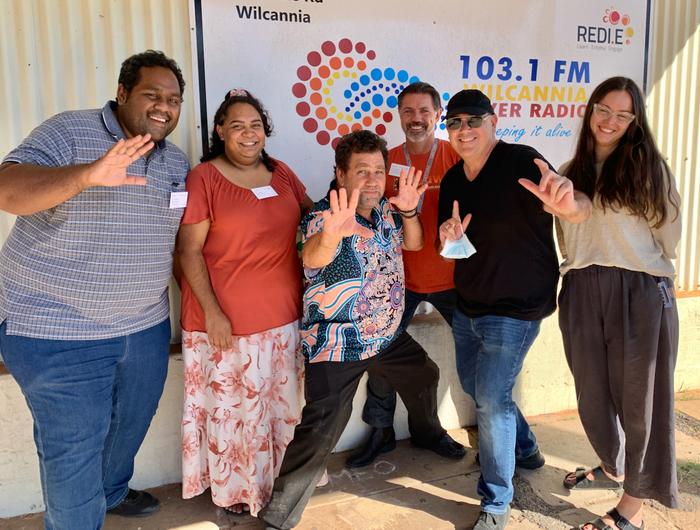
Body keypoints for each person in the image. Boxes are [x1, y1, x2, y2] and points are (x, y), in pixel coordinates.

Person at [0, 50, 188, 529]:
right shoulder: (69, 133)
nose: (164, 106)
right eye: (152, 94)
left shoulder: (174, 160)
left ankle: (109, 491)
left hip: (143, 327)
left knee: (127, 430)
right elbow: (7, 189)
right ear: (122, 93)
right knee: (74, 451)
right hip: (55, 329)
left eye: (173, 98)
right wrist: (86, 175)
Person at [259, 130, 464, 529]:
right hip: (338, 340)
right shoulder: (323, 216)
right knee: (322, 427)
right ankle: (278, 517)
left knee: (425, 374)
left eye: (378, 171)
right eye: (361, 171)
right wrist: (333, 234)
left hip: (385, 335)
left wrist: (408, 211)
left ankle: (426, 433)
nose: (372, 180)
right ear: (340, 174)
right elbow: (312, 257)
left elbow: (415, 245)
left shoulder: (387, 209)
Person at [521, 76, 681, 530]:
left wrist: (618, 245)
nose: (610, 121)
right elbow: (572, 221)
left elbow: (669, 238)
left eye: (622, 114)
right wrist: (571, 207)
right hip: (582, 289)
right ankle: (615, 465)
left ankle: (633, 503)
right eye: (603, 109)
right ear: (590, 110)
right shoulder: (569, 172)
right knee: (594, 394)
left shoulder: (648, 169)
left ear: (635, 122)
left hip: (640, 289)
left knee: (641, 402)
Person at [437, 89, 591, 529]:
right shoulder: (451, 181)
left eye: (473, 121)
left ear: (493, 121)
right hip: (468, 304)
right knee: (479, 387)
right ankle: (526, 448)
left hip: (518, 306)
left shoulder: (523, 161)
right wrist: (447, 237)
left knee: (490, 400)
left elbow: (572, 208)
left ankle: (496, 503)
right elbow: (447, 248)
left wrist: (568, 204)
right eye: (455, 123)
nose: (463, 131)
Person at [177, 89, 312, 516]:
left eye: (255, 125)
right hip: (225, 326)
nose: (248, 133)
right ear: (220, 130)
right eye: (237, 125)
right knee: (235, 416)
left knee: (279, 411)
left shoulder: (283, 173)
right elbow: (188, 251)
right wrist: (214, 313)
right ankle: (236, 493)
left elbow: (314, 219)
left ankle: (281, 485)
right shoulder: (204, 178)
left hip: (283, 318)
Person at [347, 82, 463, 468]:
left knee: (480, 361)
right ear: (399, 115)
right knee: (383, 360)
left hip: (453, 280)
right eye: (408, 112)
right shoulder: (386, 161)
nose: (416, 119)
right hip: (397, 283)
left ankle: (431, 431)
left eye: (423, 111)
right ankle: (380, 432)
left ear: (437, 114)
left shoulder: (457, 156)